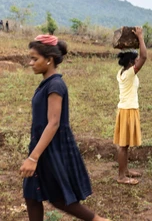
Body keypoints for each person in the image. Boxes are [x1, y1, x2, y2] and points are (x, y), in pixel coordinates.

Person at [20, 35, 109, 221]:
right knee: (31, 194)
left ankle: (99, 220)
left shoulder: (55, 85)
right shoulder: (46, 83)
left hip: (51, 149)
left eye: (35, 59)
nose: (31, 63)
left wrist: (33, 157)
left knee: (58, 198)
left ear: (49, 60)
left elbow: (54, 123)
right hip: (41, 145)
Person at [113, 27, 147, 185]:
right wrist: (140, 37)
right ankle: (121, 176)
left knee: (124, 144)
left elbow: (141, 57)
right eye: (135, 60)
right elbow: (144, 56)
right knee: (123, 145)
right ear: (131, 62)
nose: (137, 62)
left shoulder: (121, 73)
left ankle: (125, 171)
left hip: (125, 109)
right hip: (128, 109)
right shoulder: (129, 73)